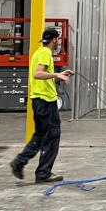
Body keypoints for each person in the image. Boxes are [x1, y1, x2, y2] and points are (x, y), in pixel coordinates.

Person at [10, 27, 73, 183]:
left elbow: (42, 75)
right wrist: (57, 74)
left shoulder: (38, 52)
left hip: (38, 101)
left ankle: (20, 161)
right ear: (54, 40)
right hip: (46, 102)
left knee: (41, 134)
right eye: (57, 39)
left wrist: (59, 75)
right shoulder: (46, 53)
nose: (58, 42)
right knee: (52, 136)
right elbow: (38, 74)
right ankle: (42, 172)